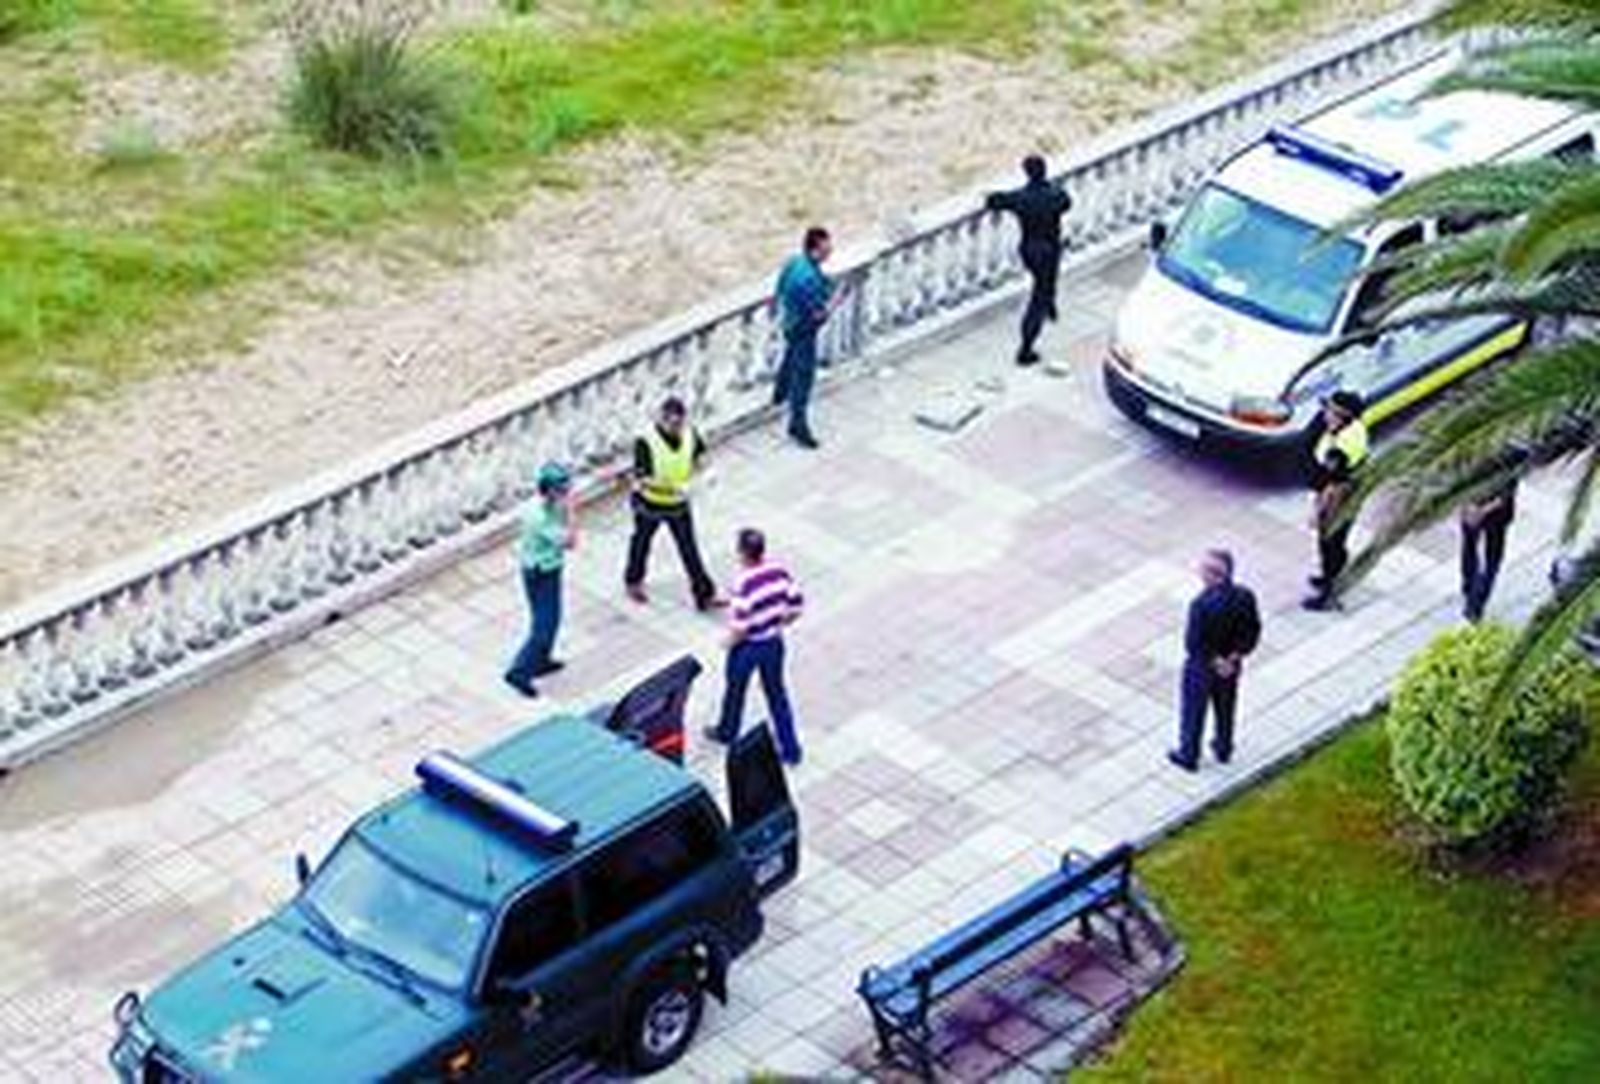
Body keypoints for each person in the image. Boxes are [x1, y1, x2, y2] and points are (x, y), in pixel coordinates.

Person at [703, 528, 806, 765]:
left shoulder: (743, 583)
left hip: (748, 648)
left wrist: (726, 643)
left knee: (735, 691)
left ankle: (727, 732)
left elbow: (741, 626)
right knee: (777, 694)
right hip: (773, 643)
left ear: (741, 553)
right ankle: (791, 751)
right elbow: (796, 605)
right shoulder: (779, 570)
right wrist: (778, 624)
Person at [625, 396, 722, 610]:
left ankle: (704, 595)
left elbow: (700, 455)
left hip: (679, 504)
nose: (678, 428)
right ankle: (633, 581)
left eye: (680, 423)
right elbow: (642, 480)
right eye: (673, 424)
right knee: (641, 543)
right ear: (662, 419)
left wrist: (707, 471)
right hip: (650, 504)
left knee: (690, 549)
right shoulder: (645, 441)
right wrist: (674, 488)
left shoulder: (689, 433)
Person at [1169, 549, 1260, 773]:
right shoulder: (1245, 596)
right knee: (1226, 706)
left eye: (1203, 568)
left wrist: (1216, 661)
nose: (1200, 572)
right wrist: (1234, 657)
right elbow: (1252, 630)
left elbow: (1194, 643)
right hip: (1231, 666)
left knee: (1194, 711)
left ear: (1213, 574)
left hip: (1203, 668)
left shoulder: (1200, 604)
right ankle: (1223, 748)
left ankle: (1189, 754)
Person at [985, 154, 1073, 366]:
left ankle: (1049, 305)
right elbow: (1067, 203)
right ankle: (1025, 349)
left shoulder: (1021, 198)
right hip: (1050, 249)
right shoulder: (1056, 195)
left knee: (1043, 285)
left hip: (1029, 250)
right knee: (1040, 294)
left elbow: (995, 201)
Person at [504, 462, 578, 698]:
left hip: (548, 568)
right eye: (563, 489)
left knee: (552, 620)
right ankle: (519, 672)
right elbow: (571, 542)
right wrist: (571, 512)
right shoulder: (540, 517)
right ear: (550, 490)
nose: (567, 493)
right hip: (540, 573)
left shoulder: (548, 505)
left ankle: (541, 660)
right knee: (543, 626)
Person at [773, 227, 841, 449]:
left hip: (790, 322)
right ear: (814, 250)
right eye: (826, 249)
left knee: (790, 355)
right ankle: (798, 425)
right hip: (803, 329)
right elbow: (819, 314)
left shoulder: (795, 262)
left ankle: (779, 393)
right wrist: (835, 301)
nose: (829, 252)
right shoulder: (808, 280)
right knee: (803, 377)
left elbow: (780, 289)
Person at [1302, 390, 1370, 612]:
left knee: (1330, 542)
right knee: (1332, 541)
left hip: (1339, 497)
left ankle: (1331, 592)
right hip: (1342, 491)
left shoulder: (1342, 446)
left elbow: (1332, 484)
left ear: (1342, 416)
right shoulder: (1348, 428)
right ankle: (1331, 576)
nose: (1325, 413)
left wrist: (1317, 510)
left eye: (1329, 410)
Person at [1460, 465, 1520, 623]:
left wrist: (1472, 508)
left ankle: (1471, 594)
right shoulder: (1510, 453)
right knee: (1490, 558)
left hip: (1480, 511)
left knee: (1474, 551)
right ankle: (1475, 601)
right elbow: (1507, 491)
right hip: (1491, 514)